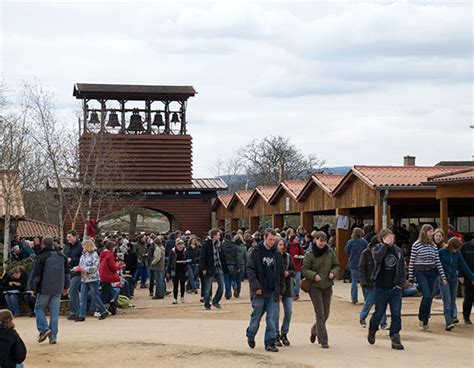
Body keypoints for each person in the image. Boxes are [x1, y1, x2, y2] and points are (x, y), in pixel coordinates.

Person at [246, 229, 284, 352]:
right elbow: (250, 271)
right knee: (256, 317)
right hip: (260, 291)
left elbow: (281, 274)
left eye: (274, 240)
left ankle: (270, 342)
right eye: (270, 239)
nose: (272, 242)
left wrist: (280, 291)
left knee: (272, 318)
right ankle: (250, 334)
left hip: (273, 291)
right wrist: (256, 287)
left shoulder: (277, 255)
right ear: (264, 238)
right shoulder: (255, 252)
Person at [367, 229, 405, 350]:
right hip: (381, 287)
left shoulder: (398, 251)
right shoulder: (377, 249)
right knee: (379, 312)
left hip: (395, 288)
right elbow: (377, 259)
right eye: (387, 237)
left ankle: (395, 336)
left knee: (396, 313)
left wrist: (401, 283)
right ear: (382, 238)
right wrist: (384, 246)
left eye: (392, 237)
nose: (391, 239)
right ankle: (372, 329)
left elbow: (402, 268)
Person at [302, 231, 339, 349]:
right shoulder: (310, 254)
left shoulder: (330, 252)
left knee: (326, 313)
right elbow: (304, 269)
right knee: (320, 313)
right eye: (320, 240)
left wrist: (333, 273)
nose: (323, 243)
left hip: (327, 285)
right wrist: (313, 275)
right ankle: (323, 340)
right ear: (315, 240)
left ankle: (314, 330)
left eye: (324, 240)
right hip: (314, 286)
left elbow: (336, 265)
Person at [31, 236, 70, 344]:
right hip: (58, 287)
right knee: (54, 313)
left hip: (44, 287)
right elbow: (67, 273)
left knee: (38, 308)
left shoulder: (42, 256)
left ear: (43, 244)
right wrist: (66, 286)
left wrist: (34, 288)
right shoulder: (62, 255)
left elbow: (37, 274)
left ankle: (44, 329)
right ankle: (53, 337)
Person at [408, 224, 447, 331]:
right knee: (426, 295)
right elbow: (411, 261)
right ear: (424, 232)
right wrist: (410, 277)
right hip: (421, 272)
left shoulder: (433, 246)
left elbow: (437, 261)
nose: (432, 233)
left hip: (432, 272)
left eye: (432, 231)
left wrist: (443, 276)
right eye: (430, 231)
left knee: (429, 296)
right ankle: (422, 318)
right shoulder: (416, 245)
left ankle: (426, 320)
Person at [438, 237, 474, 330]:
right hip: (443, 278)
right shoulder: (441, 252)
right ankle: (448, 322)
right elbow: (437, 265)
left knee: (452, 300)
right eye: (455, 248)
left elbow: (464, 266)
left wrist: (472, 276)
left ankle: (450, 319)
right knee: (447, 300)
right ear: (451, 246)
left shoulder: (457, 253)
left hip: (453, 278)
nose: (456, 250)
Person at [75, 239, 109, 321]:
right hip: (84, 278)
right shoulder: (83, 255)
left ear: (87, 246)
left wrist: (84, 269)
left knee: (95, 297)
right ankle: (81, 315)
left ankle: (103, 311)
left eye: (84, 245)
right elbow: (81, 265)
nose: (82, 247)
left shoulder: (94, 255)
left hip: (93, 278)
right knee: (82, 297)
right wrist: (77, 268)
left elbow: (95, 267)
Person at [358, 238, 387, 329]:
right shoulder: (366, 253)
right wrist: (363, 281)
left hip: (381, 281)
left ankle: (383, 322)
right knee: (370, 301)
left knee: (381, 302)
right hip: (370, 281)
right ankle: (363, 317)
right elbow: (361, 268)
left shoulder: (383, 253)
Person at [199, 229, 228, 310]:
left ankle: (215, 301)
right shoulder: (206, 244)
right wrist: (203, 268)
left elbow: (222, 256)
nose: (219, 236)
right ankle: (207, 304)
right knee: (207, 287)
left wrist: (225, 267)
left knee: (222, 286)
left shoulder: (219, 244)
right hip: (209, 267)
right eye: (218, 235)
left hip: (219, 267)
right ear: (214, 235)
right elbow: (202, 257)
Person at [275, 238, 295, 347]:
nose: (282, 246)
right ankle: (275, 335)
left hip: (286, 288)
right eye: (280, 244)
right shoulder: (272, 257)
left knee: (289, 311)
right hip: (276, 288)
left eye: (283, 244)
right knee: (276, 314)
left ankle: (284, 332)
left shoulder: (287, 257)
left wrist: (289, 273)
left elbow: (294, 270)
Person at [99, 240, 125, 315]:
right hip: (108, 275)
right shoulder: (109, 255)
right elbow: (113, 266)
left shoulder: (102, 254)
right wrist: (119, 266)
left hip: (103, 275)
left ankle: (104, 307)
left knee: (106, 292)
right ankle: (101, 309)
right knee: (110, 294)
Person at [344, 228, 368, 304]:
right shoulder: (364, 242)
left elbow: (346, 251)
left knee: (354, 281)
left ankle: (354, 299)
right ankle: (366, 298)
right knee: (363, 281)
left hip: (353, 263)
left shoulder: (350, 242)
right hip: (362, 263)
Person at [64, 229, 82, 321]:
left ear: (75, 237)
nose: (68, 239)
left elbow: (82, 260)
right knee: (72, 292)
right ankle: (74, 312)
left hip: (77, 272)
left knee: (73, 290)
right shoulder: (67, 247)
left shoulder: (80, 247)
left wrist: (72, 260)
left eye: (70, 237)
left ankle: (76, 312)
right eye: (67, 237)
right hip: (69, 271)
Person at [167, 239, 188, 304]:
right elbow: (169, 261)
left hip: (183, 269)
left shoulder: (185, 251)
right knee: (175, 285)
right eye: (179, 244)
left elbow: (188, 259)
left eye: (181, 244)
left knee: (182, 284)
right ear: (176, 245)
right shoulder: (173, 251)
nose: (180, 246)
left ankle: (182, 297)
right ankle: (175, 298)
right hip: (175, 269)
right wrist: (168, 270)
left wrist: (185, 262)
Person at [460, 236, 474, 324]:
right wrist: (461, 275)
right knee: (469, 297)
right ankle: (466, 316)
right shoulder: (465, 246)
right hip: (468, 275)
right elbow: (460, 262)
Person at [222, 233, 238, 300]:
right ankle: (235, 285)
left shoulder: (222, 246)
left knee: (226, 280)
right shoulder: (234, 246)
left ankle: (228, 294)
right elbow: (236, 256)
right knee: (233, 278)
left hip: (225, 264)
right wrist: (237, 266)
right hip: (233, 264)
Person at [288, 235, 305, 301]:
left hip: (297, 266)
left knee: (298, 280)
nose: (297, 239)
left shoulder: (299, 246)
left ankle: (296, 292)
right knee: (291, 282)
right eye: (296, 238)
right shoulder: (288, 246)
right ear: (292, 239)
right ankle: (293, 295)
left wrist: (299, 256)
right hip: (290, 267)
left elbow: (303, 254)